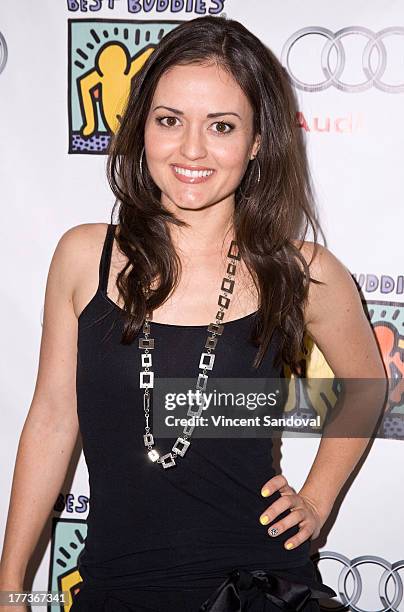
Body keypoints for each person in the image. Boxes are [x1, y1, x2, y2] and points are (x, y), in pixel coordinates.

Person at [0, 15, 386, 612]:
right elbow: (52, 419)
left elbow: (367, 386)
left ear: (258, 141)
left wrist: (317, 496)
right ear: (142, 127)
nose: (192, 150)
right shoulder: (85, 257)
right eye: (170, 120)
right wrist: (13, 586)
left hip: (259, 587)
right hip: (117, 589)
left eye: (223, 126)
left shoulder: (302, 271)